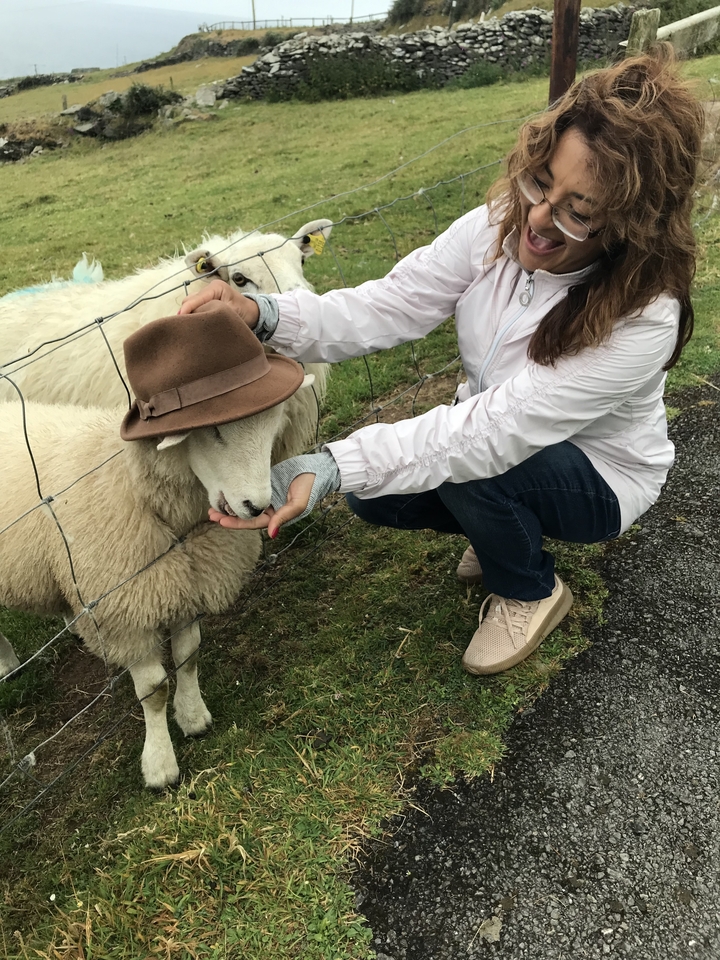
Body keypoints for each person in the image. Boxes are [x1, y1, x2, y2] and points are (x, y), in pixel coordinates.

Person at [178, 45, 704, 676]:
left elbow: (493, 432)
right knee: (378, 498)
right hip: (499, 436)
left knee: (465, 466)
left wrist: (331, 463)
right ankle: (499, 529)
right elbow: (389, 305)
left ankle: (530, 590)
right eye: (541, 180)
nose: (538, 218)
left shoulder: (643, 318)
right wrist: (264, 315)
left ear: (628, 226)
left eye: (578, 212)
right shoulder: (496, 227)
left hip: (600, 473)